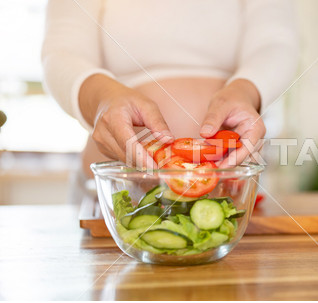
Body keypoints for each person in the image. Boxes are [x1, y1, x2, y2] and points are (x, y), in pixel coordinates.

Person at [42, 0, 299, 175]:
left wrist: (245, 90)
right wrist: (102, 98)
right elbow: (62, 52)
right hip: (116, 183)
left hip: (230, 183)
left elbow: (276, 42)